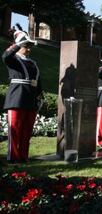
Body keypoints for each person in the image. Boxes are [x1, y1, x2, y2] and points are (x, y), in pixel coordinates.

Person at [2, 25, 42, 163]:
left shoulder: (33, 63)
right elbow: (5, 56)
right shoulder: (13, 59)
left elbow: (37, 82)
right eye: (26, 45)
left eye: (30, 46)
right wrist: (17, 44)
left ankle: (24, 156)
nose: (29, 49)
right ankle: (13, 157)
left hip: (30, 100)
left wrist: (39, 97)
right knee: (15, 130)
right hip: (16, 98)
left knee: (27, 131)